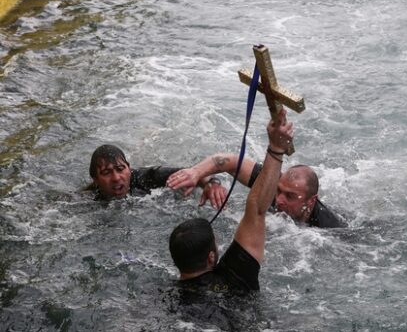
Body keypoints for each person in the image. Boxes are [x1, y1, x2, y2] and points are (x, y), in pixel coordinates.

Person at [168, 108, 293, 292]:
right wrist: (276, 148)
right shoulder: (236, 276)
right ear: (211, 257)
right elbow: (257, 208)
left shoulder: (166, 297)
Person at [166, 150, 347, 228]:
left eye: (291, 196)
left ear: (311, 200)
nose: (279, 200)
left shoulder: (327, 226)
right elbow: (230, 161)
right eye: (279, 191)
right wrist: (196, 173)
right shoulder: (272, 185)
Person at [87, 144, 219, 206]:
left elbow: (194, 173)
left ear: (129, 168)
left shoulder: (147, 178)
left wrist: (211, 184)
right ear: (95, 179)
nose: (116, 178)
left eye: (120, 169)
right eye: (106, 173)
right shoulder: (87, 198)